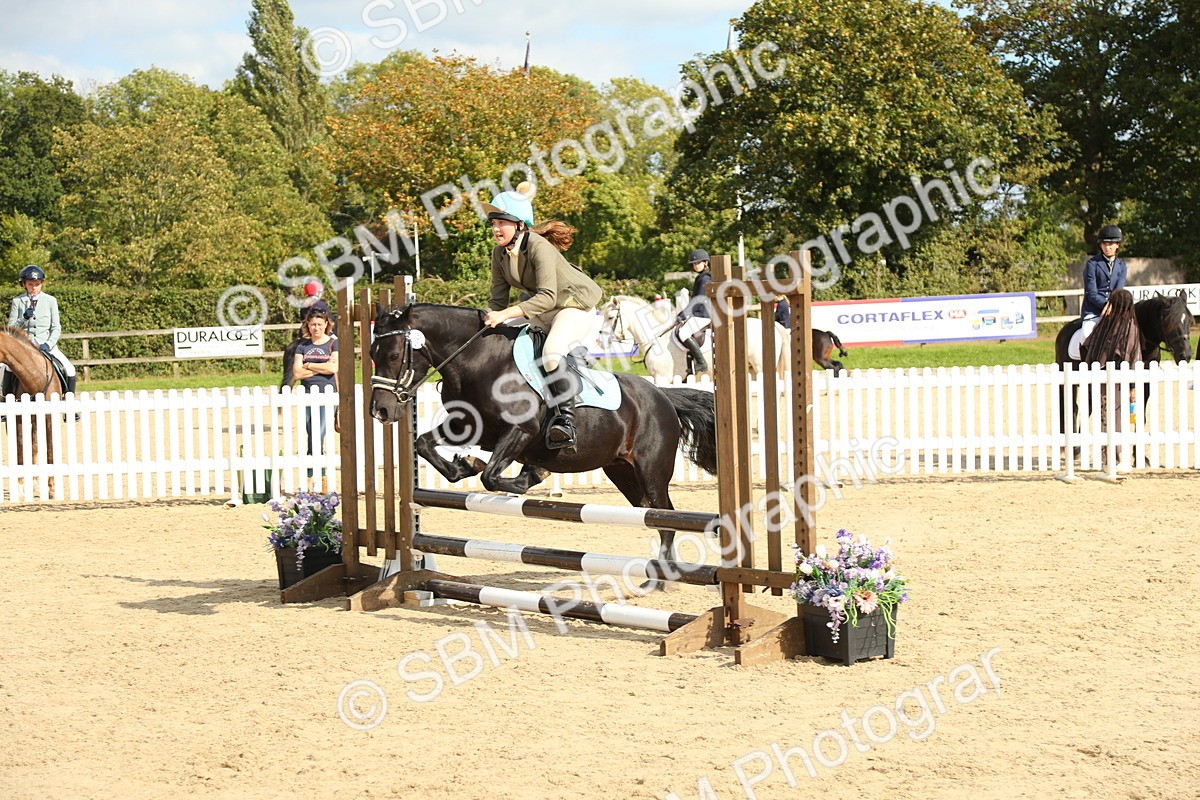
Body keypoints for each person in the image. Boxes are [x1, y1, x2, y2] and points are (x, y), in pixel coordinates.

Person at [481, 183, 602, 451]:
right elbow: (497, 300)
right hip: (543, 310)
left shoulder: (539, 246)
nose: (496, 229)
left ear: (520, 225)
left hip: (575, 307)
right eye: (494, 224)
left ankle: (566, 422)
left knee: (550, 353)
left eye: (502, 223)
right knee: (504, 345)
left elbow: (547, 295)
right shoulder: (499, 253)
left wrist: (505, 314)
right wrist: (488, 319)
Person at [1080, 288, 1142, 469]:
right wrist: (1133, 386)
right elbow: (1134, 357)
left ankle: (1105, 457)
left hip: (1099, 378)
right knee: (1118, 419)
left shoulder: (1103, 324)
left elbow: (1087, 347)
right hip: (1119, 381)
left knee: (1104, 418)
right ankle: (1116, 458)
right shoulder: (1131, 327)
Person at [7, 265, 77, 396]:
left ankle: (69, 406)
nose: (34, 288)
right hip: (24, 348)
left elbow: (56, 327)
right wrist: (23, 318)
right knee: (6, 368)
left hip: (46, 346)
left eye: (37, 284)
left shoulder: (50, 301)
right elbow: (11, 329)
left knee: (70, 369)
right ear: (24, 284)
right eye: (30, 284)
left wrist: (48, 344)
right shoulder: (17, 301)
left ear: (41, 284)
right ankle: (6, 406)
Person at [292, 309, 338, 488]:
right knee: (311, 433)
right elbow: (297, 372)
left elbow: (333, 368)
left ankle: (317, 474)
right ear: (308, 326)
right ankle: (315, 474)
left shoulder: (334, 343)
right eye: (313, 325)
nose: (316, 328)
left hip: (327, 395)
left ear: (326, 324)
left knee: (318, 433)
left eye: (319, 324)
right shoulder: (302, 346)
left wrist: (309, 364)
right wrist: (322, 366)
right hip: (308, 395)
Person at [1081, 225, 1128, 342]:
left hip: (1115, 310)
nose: (1107, 247)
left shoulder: (1122, 266)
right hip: (1093, 311)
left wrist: (1112, 306)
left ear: (1117, 245)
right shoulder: (1092, 264)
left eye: (1111, 244)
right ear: (1100, 245)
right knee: (1087, 335)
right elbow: (1091, 293)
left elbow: (1118, 291)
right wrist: (1106, 306)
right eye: (1104, 244)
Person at [674, 249, 712, 373]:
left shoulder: (705, 278)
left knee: (683, 333)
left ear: (706, 263)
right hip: (699, 313)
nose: (695, 265)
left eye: (698, 263)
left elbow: (698, 299)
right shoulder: (701, 277)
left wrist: (685, 314)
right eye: (694, 264)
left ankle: (701, 362)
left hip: (703, 314)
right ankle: (690, 364)